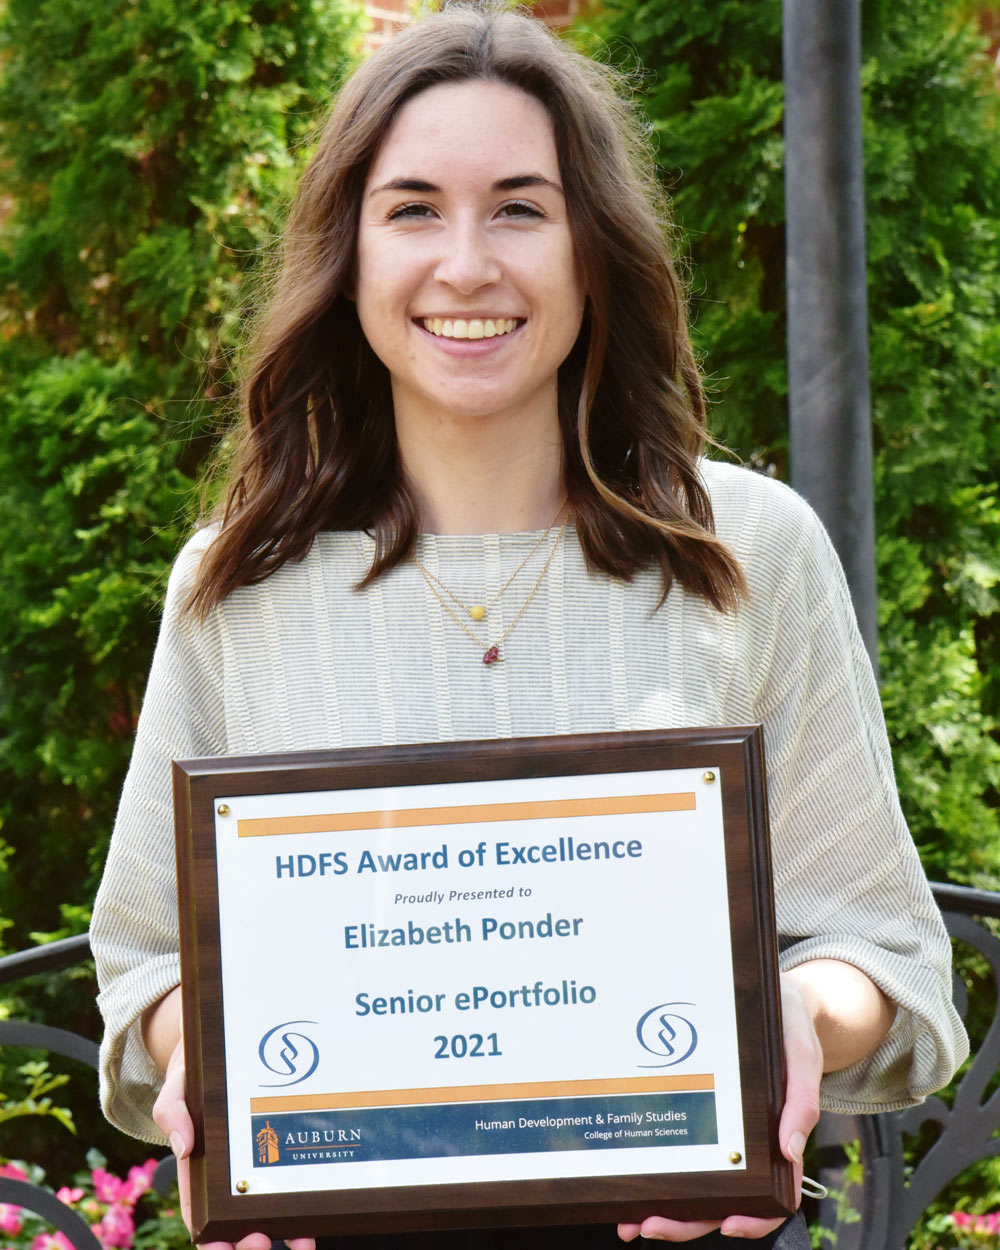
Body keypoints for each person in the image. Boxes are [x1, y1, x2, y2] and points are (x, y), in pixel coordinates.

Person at [90, 5, 967, 1250]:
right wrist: (217, 1068)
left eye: (519, 206)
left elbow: (884, 951)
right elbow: (146, 962)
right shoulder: (238, 584)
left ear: (591, 249)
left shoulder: (746, 550)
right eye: (410, 209)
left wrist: (785, 1018)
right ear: (348, 257)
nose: (466, 265)